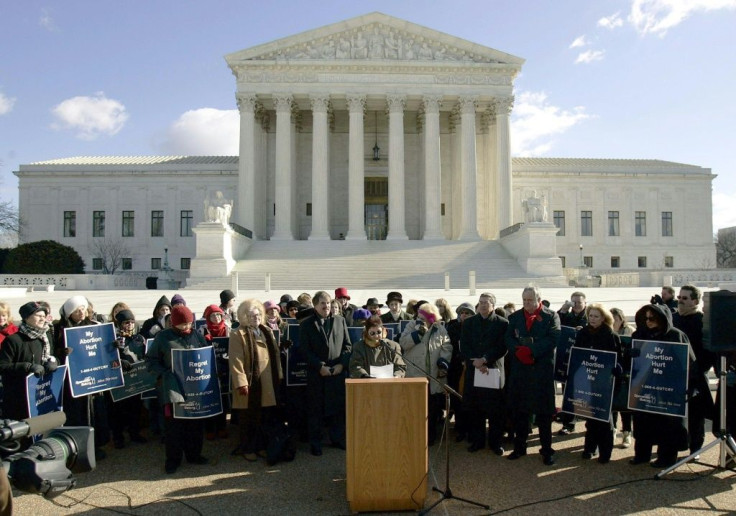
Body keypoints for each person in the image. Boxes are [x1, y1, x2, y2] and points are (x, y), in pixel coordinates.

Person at [146, 305, 209, 474]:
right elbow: (151, 361)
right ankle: (173, 459)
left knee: (195, 424)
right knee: (174, 427)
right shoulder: (163, 338)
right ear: (174, 323)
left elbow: (205, 355)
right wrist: (164, 374)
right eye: (183, 324)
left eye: (189, 323)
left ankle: (194, 454)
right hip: (173, 388)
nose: (187, 327)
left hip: (194, 387)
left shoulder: (196, 335)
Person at [629, 303, 690, 468]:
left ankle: (666, 458)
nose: (649, 322)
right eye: (646, 318)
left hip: (667, 388)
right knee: (642, 422)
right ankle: (642, 455)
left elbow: (687, 363)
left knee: (667, 425)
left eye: (653, 318)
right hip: (645, 386)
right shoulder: (640, 334)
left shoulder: (676, 335)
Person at [504, 286, 560, 466]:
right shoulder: (515, 317)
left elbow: (553, 338)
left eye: (530, 300)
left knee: (544, 414)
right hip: (521, 370)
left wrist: (532, 351)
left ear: (538, 299)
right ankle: (519, 447)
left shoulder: (551, 316)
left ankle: (546, 450)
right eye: (524, 300)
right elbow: (508, 337)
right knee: (520, 411)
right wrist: (517, 350)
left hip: (541, 370)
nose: (527, 304)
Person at [53, 296, 109, 459]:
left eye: (83, 309)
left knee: (94, 413)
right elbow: (54, 351)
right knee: (77, 414)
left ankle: (96, 445)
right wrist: (61, 353)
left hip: (92, 378)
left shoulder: (93, 326)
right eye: (77, 310)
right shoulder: (59, 329)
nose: (81, 313)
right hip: (73, 381)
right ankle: (77, 445)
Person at [229, 299, 283, 462]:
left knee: (265, 416)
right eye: (252, 315)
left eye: (259, 314)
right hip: (249, 383)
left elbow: (276, 355)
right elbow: (235, 360)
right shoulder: (238, 334)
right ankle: (248, 447)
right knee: (249, 418)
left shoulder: (267, 330)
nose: (256, 318)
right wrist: (241, 382)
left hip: (267, 382)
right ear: (244, 317)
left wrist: (279, 374)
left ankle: (261, 446)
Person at [300, 291, 352, 456]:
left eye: (328, 303)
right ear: (315, 305)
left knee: (337, 409)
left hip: (336, 373)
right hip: (317, 374)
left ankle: (337, 439)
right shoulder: (306, 324)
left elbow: (348, 346)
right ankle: (316, 443)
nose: (326, 306)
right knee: (315, 410)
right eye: (322, 303)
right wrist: (319, 366)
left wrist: (341, 365)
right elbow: (304, 350)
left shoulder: (340, 320)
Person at [573, 303, 621, 464]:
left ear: (603, 318)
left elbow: (616, 357)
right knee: (590, 415)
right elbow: (577, 353)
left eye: (596, 316)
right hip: (587, 379)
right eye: (591, 316)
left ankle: (605, 452)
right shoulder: (583, 333)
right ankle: (589, 448)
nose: (592, 319)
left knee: (604, 418)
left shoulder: (610, 334)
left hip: (604, 381)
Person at [461, 293, 508, 455]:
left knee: (495, 410)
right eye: (480, 303)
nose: (482, 305)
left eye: (486, 303)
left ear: (493, 306)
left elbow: (503, 347)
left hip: (492, 370)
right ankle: (477, 441)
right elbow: (464, 345)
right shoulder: (469, 323)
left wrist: (485, 359)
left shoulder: (502, 324)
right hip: (474, 369)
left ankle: (496, 443)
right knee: (476, 408)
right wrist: (475, 361)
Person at [400, 302, 452, 446]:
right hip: (416, 374)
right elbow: (403, 343)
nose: (422, 319)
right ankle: (414, 436)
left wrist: (443, 361)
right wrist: (417, 334)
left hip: (434, 376)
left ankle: (430, 437)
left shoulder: (439, 328)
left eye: (426, 317)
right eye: (420, 315)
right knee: (415, 409)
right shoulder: (411, 326)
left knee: (433, 409)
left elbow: (447, 346)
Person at [672, 285, 715, 456]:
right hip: (674, 375)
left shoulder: (702, 321)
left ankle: (695, 448)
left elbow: (709, 351)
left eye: (685, 298)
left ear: (695, 301)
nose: (680, 301)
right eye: (679, 297)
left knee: (696, 416)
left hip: (695, 375)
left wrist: (698, 370)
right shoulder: (673, 319)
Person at [0, 302, 58, 421]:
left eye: (44, 315)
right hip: (18, 399)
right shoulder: (14, 340)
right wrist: (27, 367)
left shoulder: (45, 336)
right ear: (26, 318)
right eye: (38, 315)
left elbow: (52, 355)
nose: (42, 318)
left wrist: (54, 361)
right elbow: (3, 366)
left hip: (40, 396)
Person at [108, 309, 147, 449]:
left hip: (135, 378)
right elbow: (107, 358)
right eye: (126, 322)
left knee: (135, 408)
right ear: (119, 324)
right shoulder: (114, 339)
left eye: (131, 322)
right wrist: (119, 362)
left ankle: (134, 433)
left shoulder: (138, 338)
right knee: (118, 411)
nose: (129, 325)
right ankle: (118, 437)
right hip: (120, 380)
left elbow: (144, 354)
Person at [557, 291, 588, 435]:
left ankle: (588, 421)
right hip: (566, 360)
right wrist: (563, 310)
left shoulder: (590, 317)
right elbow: (555, 323)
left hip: (584, 362)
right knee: (567, 391)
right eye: (573, 302)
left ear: (585, 303)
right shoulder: (567, 316)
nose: (575, 305)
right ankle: (568, 423)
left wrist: (585, 331)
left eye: (579, 302)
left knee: (584, 392)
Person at [200, 304, 230, 441]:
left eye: (219, 315)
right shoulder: (202, 330)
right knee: (209, 398)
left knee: (223, 398)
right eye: (213, 315)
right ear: (208, 317)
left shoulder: (228, 329)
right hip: (208, 368)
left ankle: (222, 427)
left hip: (224, 367)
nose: (217, 318)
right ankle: (210, 428)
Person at [446, 302, 475, 442]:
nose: (464, 315)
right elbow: (448, 347)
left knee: (472, 401)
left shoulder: (476, 327)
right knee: (458, 399)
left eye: (467, 313)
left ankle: (471, 430)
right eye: (462, 313)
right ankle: (460, 429)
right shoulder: (453, 328)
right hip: (456, 368)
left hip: (473, 367)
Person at [610, 306, 634, 447]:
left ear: (621, 319)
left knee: (625, 405)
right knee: (612, 404)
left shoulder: (629, 331)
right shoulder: (607, 331)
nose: (613, 321)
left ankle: (627, 433)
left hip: (626, 373)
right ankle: (612, 430)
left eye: (616, 319)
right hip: (612, 372)